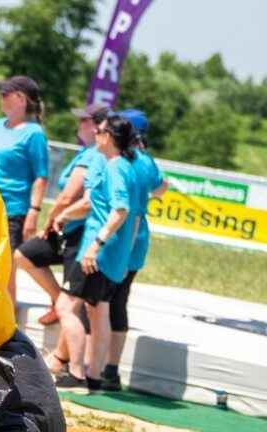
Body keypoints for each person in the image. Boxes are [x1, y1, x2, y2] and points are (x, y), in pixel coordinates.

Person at [49, 114, 140, 392]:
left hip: (97, 251)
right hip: (114, 254)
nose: (95, 133)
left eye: (99, 130)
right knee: (98, 310)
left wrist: (95, 245)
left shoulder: (114, 168)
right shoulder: (128, 166)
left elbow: (121, 210)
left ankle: (75, 372)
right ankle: (95, 376)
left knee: (65, 307)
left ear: (109, 136)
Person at [15, 103, 109, 326]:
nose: (79, 124)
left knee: (78, 304)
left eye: (84, 120)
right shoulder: (86, 152)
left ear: (98, 127)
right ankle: (59, 302)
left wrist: (49, 222)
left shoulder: (94, 155)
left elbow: (68, 196)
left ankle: (65, 352)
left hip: (77, 231)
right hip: (68, 227)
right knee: (24, 255)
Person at [98, 109, 168, 390]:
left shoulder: (118, 161)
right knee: (119, 302)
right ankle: (111, 369)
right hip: (138, 240)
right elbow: (162, 187)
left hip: (116, 237)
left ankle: (89, 365)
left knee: (98, 301)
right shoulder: (146, 162)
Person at [0, 75, 49, 302]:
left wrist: (34, 211)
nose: (0, 97)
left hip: (13, 211)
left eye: (5, 93)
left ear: (20, 99)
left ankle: (9, 326)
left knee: (5, 272)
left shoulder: (33, 133)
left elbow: (41, 177)